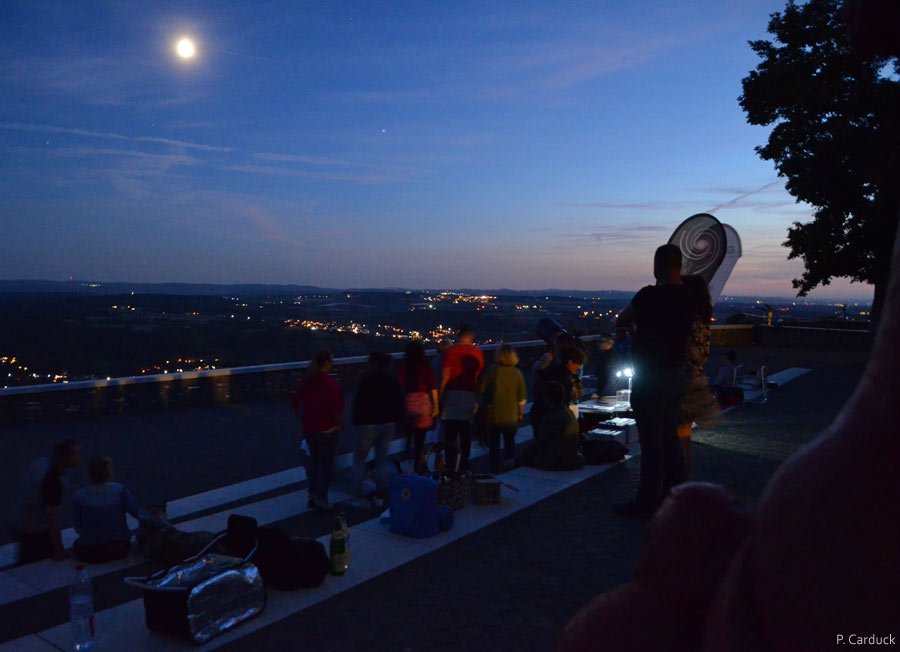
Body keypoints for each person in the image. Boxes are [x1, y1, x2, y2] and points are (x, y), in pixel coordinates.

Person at [614, 244, 696, 517]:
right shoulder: (688, 297)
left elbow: (621, 319)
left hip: (650, 375)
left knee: (651, 441)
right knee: (670, 436)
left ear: (656, 266)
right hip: (676, 373)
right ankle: (673, 496)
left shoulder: (648, 295)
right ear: (680, 266)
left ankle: (646, 501)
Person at [72, 456, 164, 563]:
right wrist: (162, 525)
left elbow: (77, 527)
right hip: (119, 549)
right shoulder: (119, 489)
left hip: (90, 552)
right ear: (109, 472)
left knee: (77, 544)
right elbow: (139, 514)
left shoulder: (79, 496)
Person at [9, 438, 82, 563]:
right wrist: (60, 550)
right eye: (75, 454)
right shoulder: (52, 482)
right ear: (64, 457)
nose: (79, 457)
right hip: (37, 532)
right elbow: (52, 519)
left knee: (26, 562)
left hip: (23, 523)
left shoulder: (39, 463)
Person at [677, 275, 720, 478]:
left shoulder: (687, 322)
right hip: (695, 381)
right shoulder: (703, 322)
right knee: (684, 437)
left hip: (683, 382)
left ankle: (675, 482)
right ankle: (681, 480)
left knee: (677, 437)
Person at [291, 349, 344, 512]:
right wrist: (339, 425)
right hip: (327, 430)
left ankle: (312, 496)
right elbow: (336, 409)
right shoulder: (331, 384)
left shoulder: (305, 382)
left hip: (309, 429)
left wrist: (304, 419)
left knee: (314, 464)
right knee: (325, 466)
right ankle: (322, 498)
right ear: (327, 364)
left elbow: (295, 404)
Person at [352, 351, 403, 502]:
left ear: (373, 364)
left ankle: (358, 492)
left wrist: (357, 422)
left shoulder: (366, 381)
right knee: (381, 460)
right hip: (387, 424)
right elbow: (398, 403)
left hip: (367, 424)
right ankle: (382, 490)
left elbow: (358, 404)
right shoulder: (392, 381)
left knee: (359, 460)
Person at [439, 325, 484, 474]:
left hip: (452, 395)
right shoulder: (477, 352)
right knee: (466, 433)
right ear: (471, 336)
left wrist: (440, 399)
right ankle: (464, 464)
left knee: (450, 433)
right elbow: (477, 377)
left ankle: (450, 464)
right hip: (469, 395)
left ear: (459, 335)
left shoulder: (451, 352)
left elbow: (445, 377)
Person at [478, 344, 527, 473]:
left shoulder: (491, 371)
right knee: (509, 444)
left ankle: (495, 468)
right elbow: (521, 399)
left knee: (494, 444)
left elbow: (481, 391)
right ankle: (508, 468)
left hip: (493, 415)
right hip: (510, 416)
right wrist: (520, 415)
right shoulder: (517, 374)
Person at [398, 340, 439, 473]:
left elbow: (399, 387)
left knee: (409, 437)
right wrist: (435, 406)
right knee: (420, 441)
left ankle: (407, 466)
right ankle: (418, 467)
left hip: (409, 404)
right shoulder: (426, 368)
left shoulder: (405, 369)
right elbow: (433, 388)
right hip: (423, 406)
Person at [528, 382, 585, 471]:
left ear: (547, 398)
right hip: (572, 457)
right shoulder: (569, 412)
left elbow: (541, 443)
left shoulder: (551, 418)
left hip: (556, 461)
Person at [531, 346, 587, 430]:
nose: (579, 368)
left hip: (538, 414)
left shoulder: (549, 371)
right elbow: (565, 401)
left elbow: (535, 390)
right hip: (551, 419)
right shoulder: (567, 379)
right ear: (570, 362)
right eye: (578, 364)